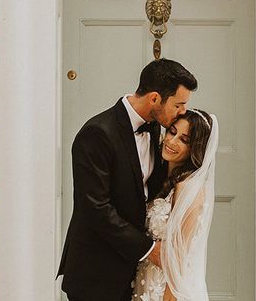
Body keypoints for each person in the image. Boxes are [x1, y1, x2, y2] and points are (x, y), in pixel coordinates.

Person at [58, 58, 198, 301]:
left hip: (134, 275)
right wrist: (150, 250)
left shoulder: (155, 128)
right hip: (97, 272)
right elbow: (96, 208)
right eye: (178, 104)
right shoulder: (97, 133)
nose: (182, 112)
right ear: (155, 98)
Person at [131, 108, 218, 301]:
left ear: (195, 148)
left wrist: (170, 293)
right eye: (172, 132)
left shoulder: (188, 188)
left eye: (184, 140)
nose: (171, 141)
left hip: (167, 288)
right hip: (148, 279)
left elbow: (180, 253)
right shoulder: (164, 181)